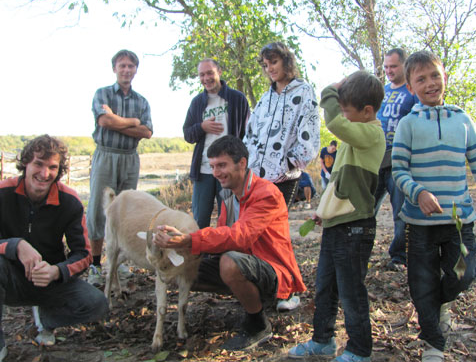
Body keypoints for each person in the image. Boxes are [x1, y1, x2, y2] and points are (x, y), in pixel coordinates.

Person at [154, 135, 306, 351]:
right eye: (213, 166)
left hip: (274, 271)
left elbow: (239, 236)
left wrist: (190, 240)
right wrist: (182, 243)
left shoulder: (267, 193)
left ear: (242, 163)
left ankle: (258, 324)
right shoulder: (229, 197)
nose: (216, 173)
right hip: (245, 263)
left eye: (222, 165)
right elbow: (222, 236)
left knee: (229, 263)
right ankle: (247, 296)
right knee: (179, 270)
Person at [0, 135, 108, 362]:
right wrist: (15, 245)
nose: (44, 174)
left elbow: (85, 254)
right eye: (38, 164)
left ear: (59, 170)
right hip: (9, 278)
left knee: (98, 303)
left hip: (49, 280)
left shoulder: (70, 201)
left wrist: (57, 271)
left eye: (52, 167)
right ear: (25, 163)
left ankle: (45, 319)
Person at [288, 71, 385, 362]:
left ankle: (359, 350)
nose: (341, 117)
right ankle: (323, 340)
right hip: (337, 224)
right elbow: (340, 185)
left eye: (346, 111)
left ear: (367, 111)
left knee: (351, 290)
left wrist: (331, 90)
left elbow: (332, 121)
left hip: (355, 227)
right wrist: (322, 212)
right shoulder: (352, 141)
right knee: (326, 286)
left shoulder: (372, 134)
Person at [391, 51, 476, 362]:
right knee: (421, 281)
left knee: (464, 274)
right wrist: (419, 192)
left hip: (459, 220)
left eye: (435, 76)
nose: (430, 83)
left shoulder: (463, 119)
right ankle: (433, 344)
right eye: (421, 79)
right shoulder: (408, 124)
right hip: (420, 222)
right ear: (411, 87)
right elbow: (398, 169)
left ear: (445, 78)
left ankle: (439, 304)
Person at [86, 49, 153, 286]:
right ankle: (95, 263)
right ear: (114, 68)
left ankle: (118, 261)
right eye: (122, 66)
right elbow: (103, 120)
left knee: (125, 210)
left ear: (136, 70)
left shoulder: (141, 101)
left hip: (129, 157)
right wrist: (132, 122)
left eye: (131, 66)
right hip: (106, 155)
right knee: (97, 208)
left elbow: (146, 132)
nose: (126, 70)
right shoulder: (102, 93)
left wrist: (120, 123)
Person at [243, 42, 320, 207]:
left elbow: (309, 135)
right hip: (255, 179)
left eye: (274, 62)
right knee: (253, 229)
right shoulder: (265, 99)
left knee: (274, 229)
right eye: (265, 65)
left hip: (284, 179)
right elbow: (249, 134)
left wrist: (288, 163)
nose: (269, 68)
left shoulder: (304, 91)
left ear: (286, 61)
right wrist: (246, 165)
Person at [183, 58, 250, 229]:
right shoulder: (197, 102)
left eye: (210, 73)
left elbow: (247, 135)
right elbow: (188, 134)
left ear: (219, 72)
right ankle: (201, 255)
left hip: (229, 170)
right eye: (202, 75)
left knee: (228, 219)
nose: (206, 78)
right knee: (199, 220)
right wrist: (202, 127)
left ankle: (225, 255)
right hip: (204, 170)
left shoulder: (237, 99)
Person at [374, 48, 418, 270]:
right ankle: (361, 251)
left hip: (399, 161)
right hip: (376, 159)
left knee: (400, 211)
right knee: (366, 209)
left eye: (394, 66)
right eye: (386, 67)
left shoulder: (412, 92)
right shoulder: (382, 91)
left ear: (404, 65)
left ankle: (399, 256)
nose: (389, 71)